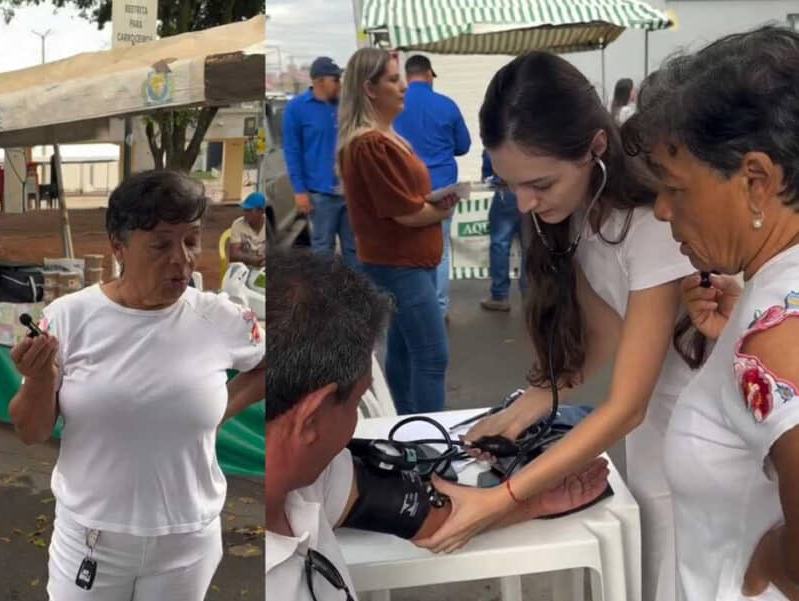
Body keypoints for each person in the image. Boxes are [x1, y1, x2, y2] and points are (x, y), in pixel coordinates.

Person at [419, 51, 700, 601]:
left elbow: (626, 406)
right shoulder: (582, 212)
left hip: (700, 429)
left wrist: (504, 502)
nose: (524, 202)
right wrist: (516, 415)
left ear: (597, 147)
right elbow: (602, 337)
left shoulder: (650, 227)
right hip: (656, 435)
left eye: (540, 184)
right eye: (510, 185)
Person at [265, 248, 610, 601]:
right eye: (356, 402)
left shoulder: (315, 475)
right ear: (310, 419)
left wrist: (533, 502)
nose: (354, 427)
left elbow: (426, 513)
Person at [9, 170, 267, 601]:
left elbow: (267, 365)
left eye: (191, 240)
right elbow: (31, 431)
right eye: (161, 244)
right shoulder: (69, 317)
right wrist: (40, 379)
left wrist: (221, 410)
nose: (182, 259)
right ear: (118, 248)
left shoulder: (221, 319)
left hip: (187, 540)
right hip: (90, 540)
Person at [624, 26, 799, 600]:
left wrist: (772, 560)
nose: (664, 210)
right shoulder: (771, 305)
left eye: (676, 188)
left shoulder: (776, 338)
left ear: (756, 181)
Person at [335, 48, 456, 414]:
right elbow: (405, 213)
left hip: (401, 263)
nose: (403, 86)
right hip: (399, 265)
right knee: (432, 356)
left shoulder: (380, 138)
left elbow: (404, 205)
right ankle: (429, 441)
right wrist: (439, 208)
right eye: (392, 79)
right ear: (369, 89)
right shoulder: (370, 144)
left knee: (405, 353)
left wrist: (431, 207)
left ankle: (407, 433)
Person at [393, 54, 471, 320]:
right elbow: (464, 145)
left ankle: (415, 308)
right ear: (429, 75)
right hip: (442, 189)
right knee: (440, 250)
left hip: (406, 188)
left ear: (407, 76)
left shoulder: (395, 107)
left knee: (407, 249)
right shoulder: (447, 105)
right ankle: (438, 310)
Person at [282, 56, 359, 269]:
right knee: (323, 249)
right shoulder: (297, 109)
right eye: (336, 79)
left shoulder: (345, 106)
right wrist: (300, 191)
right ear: (320, 82)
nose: (340, 84)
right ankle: (323, 297)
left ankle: (357, 295)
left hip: (350, 192)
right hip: (319, 194)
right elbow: (292, 151)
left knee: (354, 248)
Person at [480, 150, 526, 312]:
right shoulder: (536, 130)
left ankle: (500, 295)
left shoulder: (500, 132)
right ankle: (529, 295)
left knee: (500, 244)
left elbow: (488, 166)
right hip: (531, 190)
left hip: (506, 192)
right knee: (529, 246)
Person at [229, 191, 266, 268]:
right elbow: (233, 255)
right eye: (245, 210)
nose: (245, 213)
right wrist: (253, 260)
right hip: (244, 268)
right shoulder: (238, 224)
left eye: (249, 210)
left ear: (261, 211)